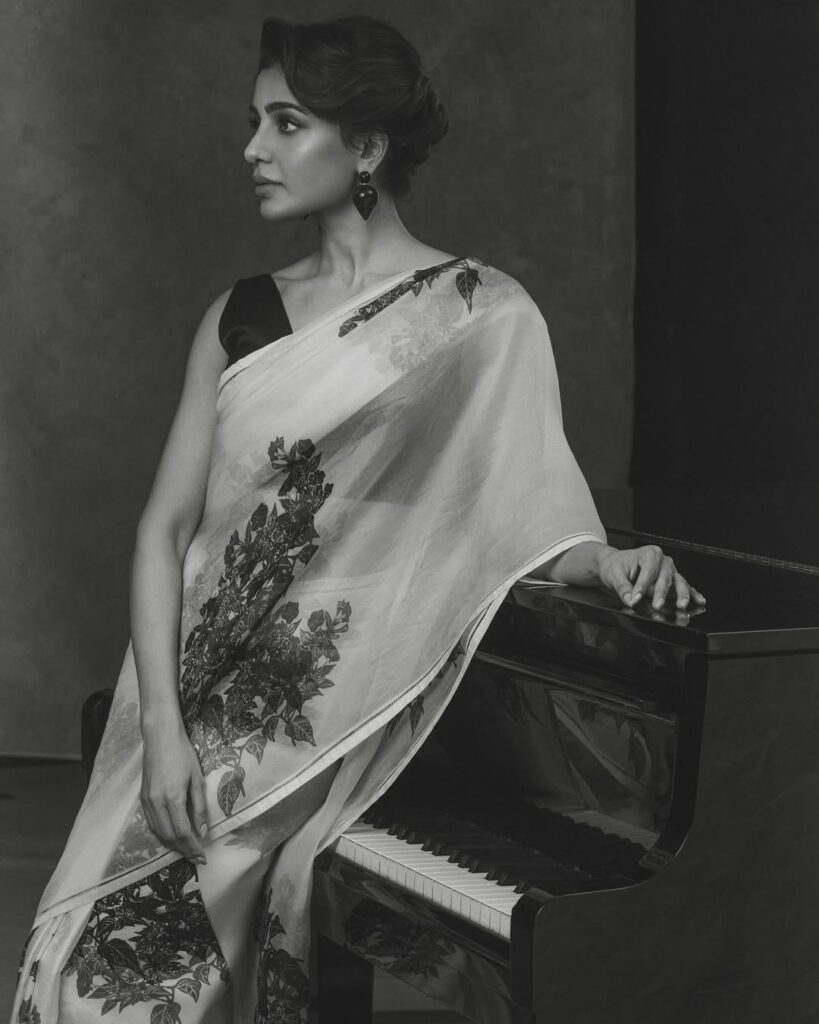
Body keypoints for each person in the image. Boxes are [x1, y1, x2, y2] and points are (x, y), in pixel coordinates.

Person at [10, 13, 705, 1024]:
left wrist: (602, 562)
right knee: (67, 971)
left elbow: (516, 509)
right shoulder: (238, 317)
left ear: (368, 146)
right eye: (256, 122)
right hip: (187, 695)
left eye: (287, 124)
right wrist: (163, 729)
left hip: (326, 708)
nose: (254, 149)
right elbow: (164, 532)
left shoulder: (479, 317)